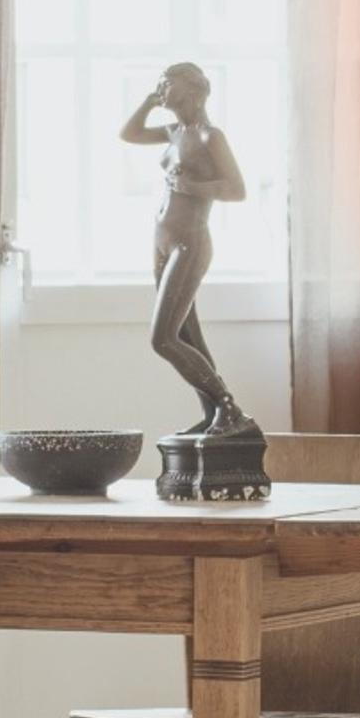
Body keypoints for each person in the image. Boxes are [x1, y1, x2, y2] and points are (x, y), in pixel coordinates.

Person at [121, 62, 251, 438]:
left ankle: (229, 408)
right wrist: (147, 102)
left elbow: (237, 190)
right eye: (159, 83)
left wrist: (195, 187)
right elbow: (128, 133)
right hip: (162, 241)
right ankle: (214, 414)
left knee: (163, 338)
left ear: (193, 90)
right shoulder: (173, 132)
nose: (162, 89)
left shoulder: (212, 138)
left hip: (188, 242)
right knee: (190, 336)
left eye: (168, 84)